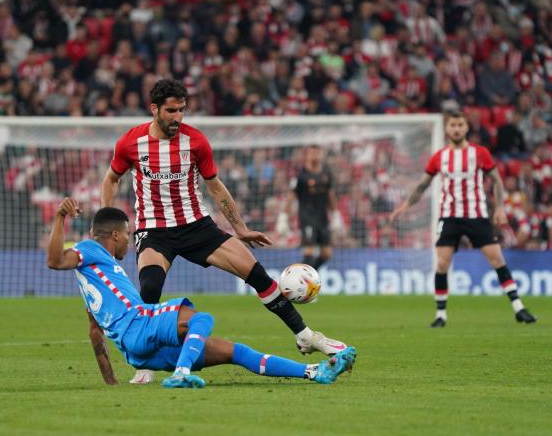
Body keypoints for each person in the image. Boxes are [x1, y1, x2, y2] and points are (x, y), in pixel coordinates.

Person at [101, 79, 348, 383]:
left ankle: (305, 335)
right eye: (171, 111)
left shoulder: (196, 141)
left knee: (257, 274)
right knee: (150, 287)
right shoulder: (130, 143)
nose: (177, 117)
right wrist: (107, 219)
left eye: (182, 110)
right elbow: (111, 179)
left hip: (196, 225)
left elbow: (215, 187)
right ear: (154, 109)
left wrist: (240, 228)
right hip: (154, 230)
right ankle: (146, 363)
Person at [46, 198, 357, 388]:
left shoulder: (92, 287)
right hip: (140, 324)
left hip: (136, 352)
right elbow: (55, 259)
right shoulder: (90, 249)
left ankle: (314, 373)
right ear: (114, 235)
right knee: (200, 318)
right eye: (127, 235)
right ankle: (181, 373)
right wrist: (60, 217)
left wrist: (111, 381)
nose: (130, 242)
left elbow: (94, 334)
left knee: (234, 351)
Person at [390, 110, 537, 327]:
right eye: (453, 125)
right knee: (441, 263)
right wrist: (404, 206)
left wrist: (498, 208)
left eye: (460, 125)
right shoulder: (439, 156)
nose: (456, 129)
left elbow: (496, 180)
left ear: (466, 127)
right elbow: (423, 185)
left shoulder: (480, 153)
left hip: (476, 215)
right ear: (447, 128)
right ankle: (441, 315)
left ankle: (519, 308)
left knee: (497, 259)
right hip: (449, 216)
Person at [286, 146, 338, 270]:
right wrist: (283, 216)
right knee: (309, 253)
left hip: (323, 219)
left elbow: (330, 195)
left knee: (326, 254)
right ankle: (302, 280)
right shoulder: (301, 176)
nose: (315, 155)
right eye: (312, 152)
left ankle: (308, 276)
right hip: (307, 219)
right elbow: (291, 196)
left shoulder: (326, 174)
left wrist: (336, 214)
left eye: (317, 152)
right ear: (307, 155)